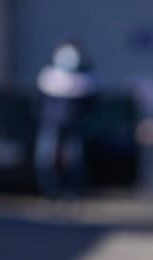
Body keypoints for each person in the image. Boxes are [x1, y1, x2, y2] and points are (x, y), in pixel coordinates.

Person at [35, 40, 96, 199]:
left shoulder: (85, 78)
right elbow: (39, 102)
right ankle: (50, 192)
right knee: (46, 158)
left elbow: (90, 103)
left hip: (74, 125)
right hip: (52, 123)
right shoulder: (48, 76)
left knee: (75, 160)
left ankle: (72, 192)